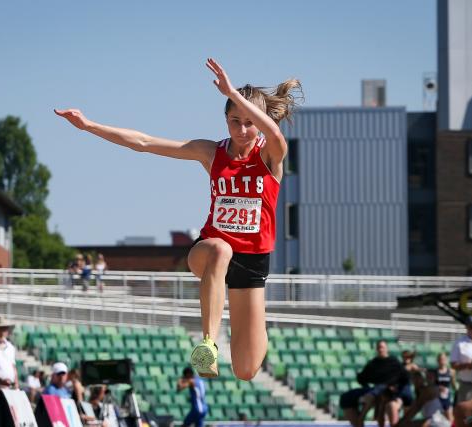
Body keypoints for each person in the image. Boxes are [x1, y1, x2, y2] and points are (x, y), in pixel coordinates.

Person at [55, 58, 301, 379]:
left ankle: (244, 337)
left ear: (260, 121)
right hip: (210, 250)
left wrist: (233, 93)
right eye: (234, 120)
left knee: (245, 369)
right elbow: (145, 143)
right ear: (225, 119)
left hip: (253, 262)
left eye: (248, 122)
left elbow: (275, 134)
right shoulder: (211, 152)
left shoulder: (271, 154)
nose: (242, 130)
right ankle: (208, 345)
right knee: (221, 250)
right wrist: (90, 126)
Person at [339, 340, 409, 427]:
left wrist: (398, 394)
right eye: (378, 347)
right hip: (376, 391)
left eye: (382, 347)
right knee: (347, 397)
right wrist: (367, 387)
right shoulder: (373, 364)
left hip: (391, 392)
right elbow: (361, 378)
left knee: (389, 404)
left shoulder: (394, 362)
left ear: (387, 348)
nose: (380, 349)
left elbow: (405, 379)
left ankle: (364, 416)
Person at [433, 352, 456, 422]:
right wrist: (439, 388)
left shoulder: (451, 371)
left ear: (446, 360)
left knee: (450, 418)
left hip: (447, 399)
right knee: (438, 420)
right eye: (440, 359)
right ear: (437, 361)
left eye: (443, 359)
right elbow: (432, 385)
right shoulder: (435, 372)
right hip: (437, 398)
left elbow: (454, 385)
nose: (442, 361)